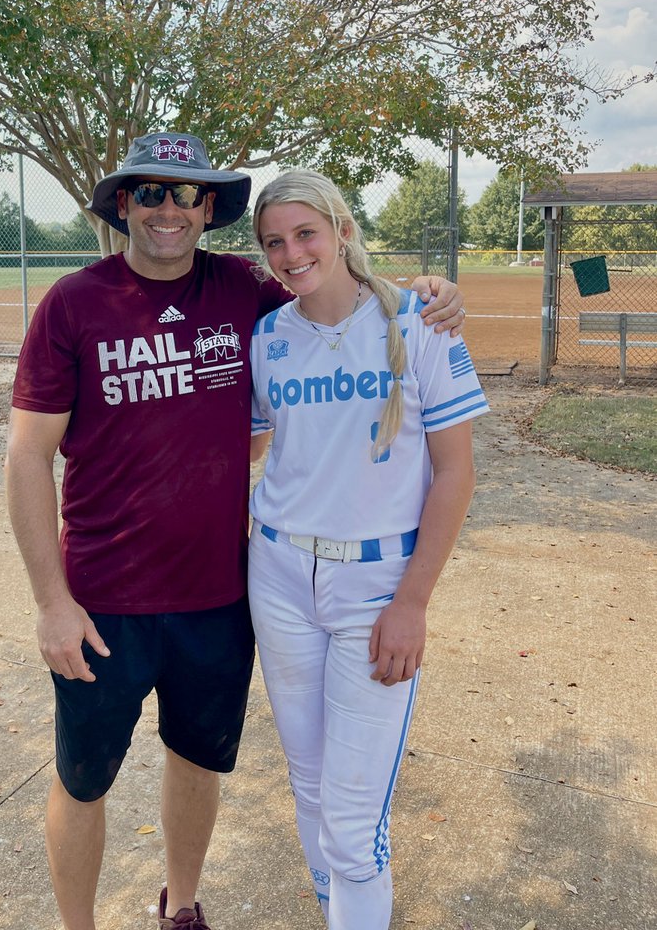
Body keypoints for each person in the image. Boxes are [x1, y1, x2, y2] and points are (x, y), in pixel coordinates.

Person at [4, 134, 466, 930]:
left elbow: (332, 300)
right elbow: (25, 458)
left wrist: (429, 290)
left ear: (209, 208)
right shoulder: (74, 303)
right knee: (84, 778)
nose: (170, 211)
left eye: (188, 195)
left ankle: (181, 908)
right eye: (151, 194)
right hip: (104, 597)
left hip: (220, 593)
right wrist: (51, 601)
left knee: (196, 758)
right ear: (124, 205)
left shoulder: (244, 290)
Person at [248, 170, 488, 930]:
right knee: (311, 791)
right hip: (280, 575)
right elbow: (254, 450)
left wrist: (411, 601)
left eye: (305, 233)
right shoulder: (267, 336)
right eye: (274, 242)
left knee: (352, 824)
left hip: (377, 584)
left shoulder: (419, 321)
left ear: (342, 228)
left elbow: (455, 472)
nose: (291, 253)